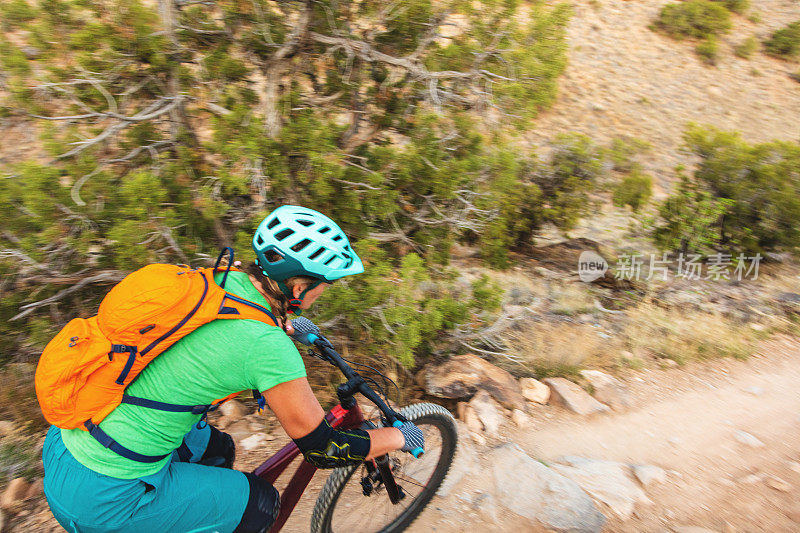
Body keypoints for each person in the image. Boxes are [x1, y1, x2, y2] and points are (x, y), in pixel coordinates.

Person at [41, 205, 424, 533]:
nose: (325, 292)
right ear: (299, 287)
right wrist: (400, 438)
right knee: (261, 504)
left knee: (219, 449)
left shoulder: (220, 279)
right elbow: (325, 449)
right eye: (324, 284)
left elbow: (226, 327)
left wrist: (285, 325)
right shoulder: (266, 348)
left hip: (67, 444)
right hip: (107, 496)